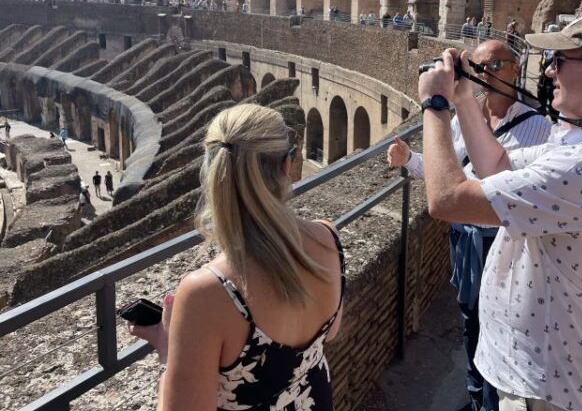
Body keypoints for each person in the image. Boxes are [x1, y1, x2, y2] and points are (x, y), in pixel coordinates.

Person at [416, 13, 582, 411]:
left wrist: (434, 105)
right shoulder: (581, 142)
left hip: (545, 385)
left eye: (560, 60)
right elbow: (498, 165)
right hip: (539, 370)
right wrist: (461, 98)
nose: (547, 69)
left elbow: (447, 199)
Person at [129, 104, 344, 410]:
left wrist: (168, 351)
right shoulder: (328, 238)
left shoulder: (207, 293)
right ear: (287, 165)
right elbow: (330, 331)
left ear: (211, 172)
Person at [389, 40, 551, 411]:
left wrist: (436, 104)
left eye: (496, 63)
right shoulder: (469, 116)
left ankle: (492, 400)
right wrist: (410, 159)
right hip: (465, 242)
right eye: (477, 66)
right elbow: (451, 174)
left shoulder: (538, 128)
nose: (486, 72)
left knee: (498, 325)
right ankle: (477, 396)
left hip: (503, 243)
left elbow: (464, 193)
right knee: (470, 319)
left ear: (516, 68)